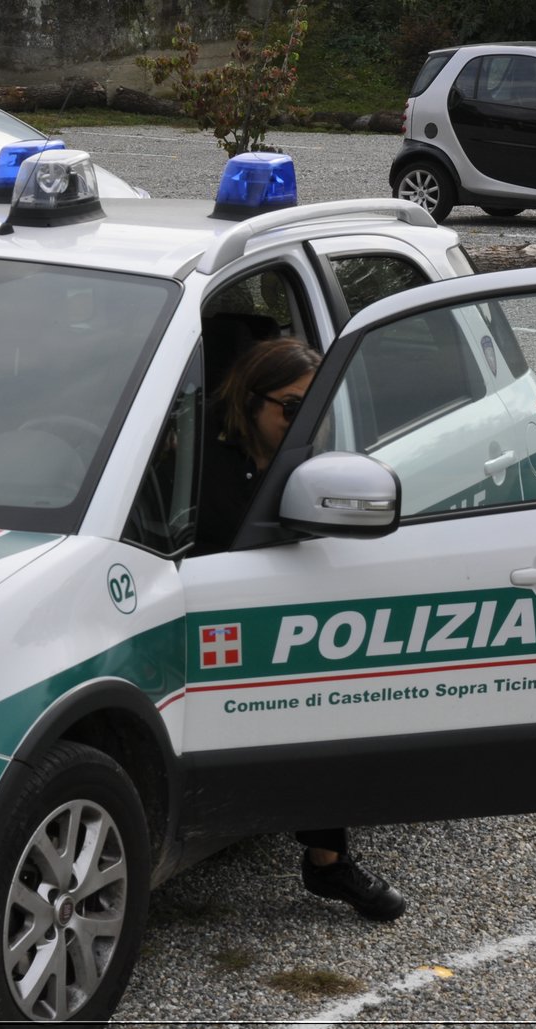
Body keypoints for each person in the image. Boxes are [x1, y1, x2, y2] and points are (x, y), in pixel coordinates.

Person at [200, 337, 408, 923]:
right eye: (290, 408)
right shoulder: (198, 461)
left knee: (327, 706)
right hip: (218, 609)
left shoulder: (319, 456)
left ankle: (326, 860)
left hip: (298, 607)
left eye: (314, 407)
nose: (302, 421)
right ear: (248, 400)